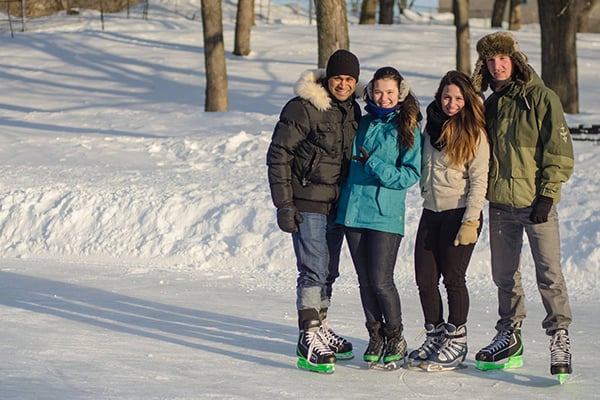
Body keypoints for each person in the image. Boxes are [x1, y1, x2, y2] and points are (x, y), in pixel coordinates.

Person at [471, 31, 574, 381]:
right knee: (504, 276)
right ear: (484, 66)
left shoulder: (542, 97)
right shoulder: (491, 105)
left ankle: (559, 334)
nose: (497, 66)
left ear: (515, 60)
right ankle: (510, 335)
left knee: (549, 273)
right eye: (491, 61)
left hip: (536, 204)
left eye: (503, 59)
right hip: (501, 205)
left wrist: (547, 194)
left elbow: (558, 152)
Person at [266, 49, 361, 374]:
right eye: (338, 78)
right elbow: (279, 155)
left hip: (337, 204)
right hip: (307, 202)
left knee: (329, 271)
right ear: (327, 77)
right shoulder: (304, 107)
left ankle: (321, 326)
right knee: (313, 270)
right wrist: (284, 204)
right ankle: (307, 336)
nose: (344, 84)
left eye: (350, 79)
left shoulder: (351, 110)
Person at [336, 66, 422, 369]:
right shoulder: (362, 122)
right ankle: (375, 335)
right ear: (370, 92)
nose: (383, 98)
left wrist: (375, 164)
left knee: (381, 281)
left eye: (390, 92)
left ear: (400, 94)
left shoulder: (407, 127)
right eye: (378, 91)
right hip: (353, 212)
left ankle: (395, 334)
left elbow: (409, 174)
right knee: (364, 281)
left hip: (385, 215)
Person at [408, 70, 489, 371]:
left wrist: (471, 220)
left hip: (460, 212)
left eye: (457, 98)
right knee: (425, 279)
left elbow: (479, 181)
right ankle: (435, 333)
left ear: (467, 100)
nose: (451, 103)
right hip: (431, 211)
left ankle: (457, 337)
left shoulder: (475, 133)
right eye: (446, 96)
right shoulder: (430, 129)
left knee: (453, 279)